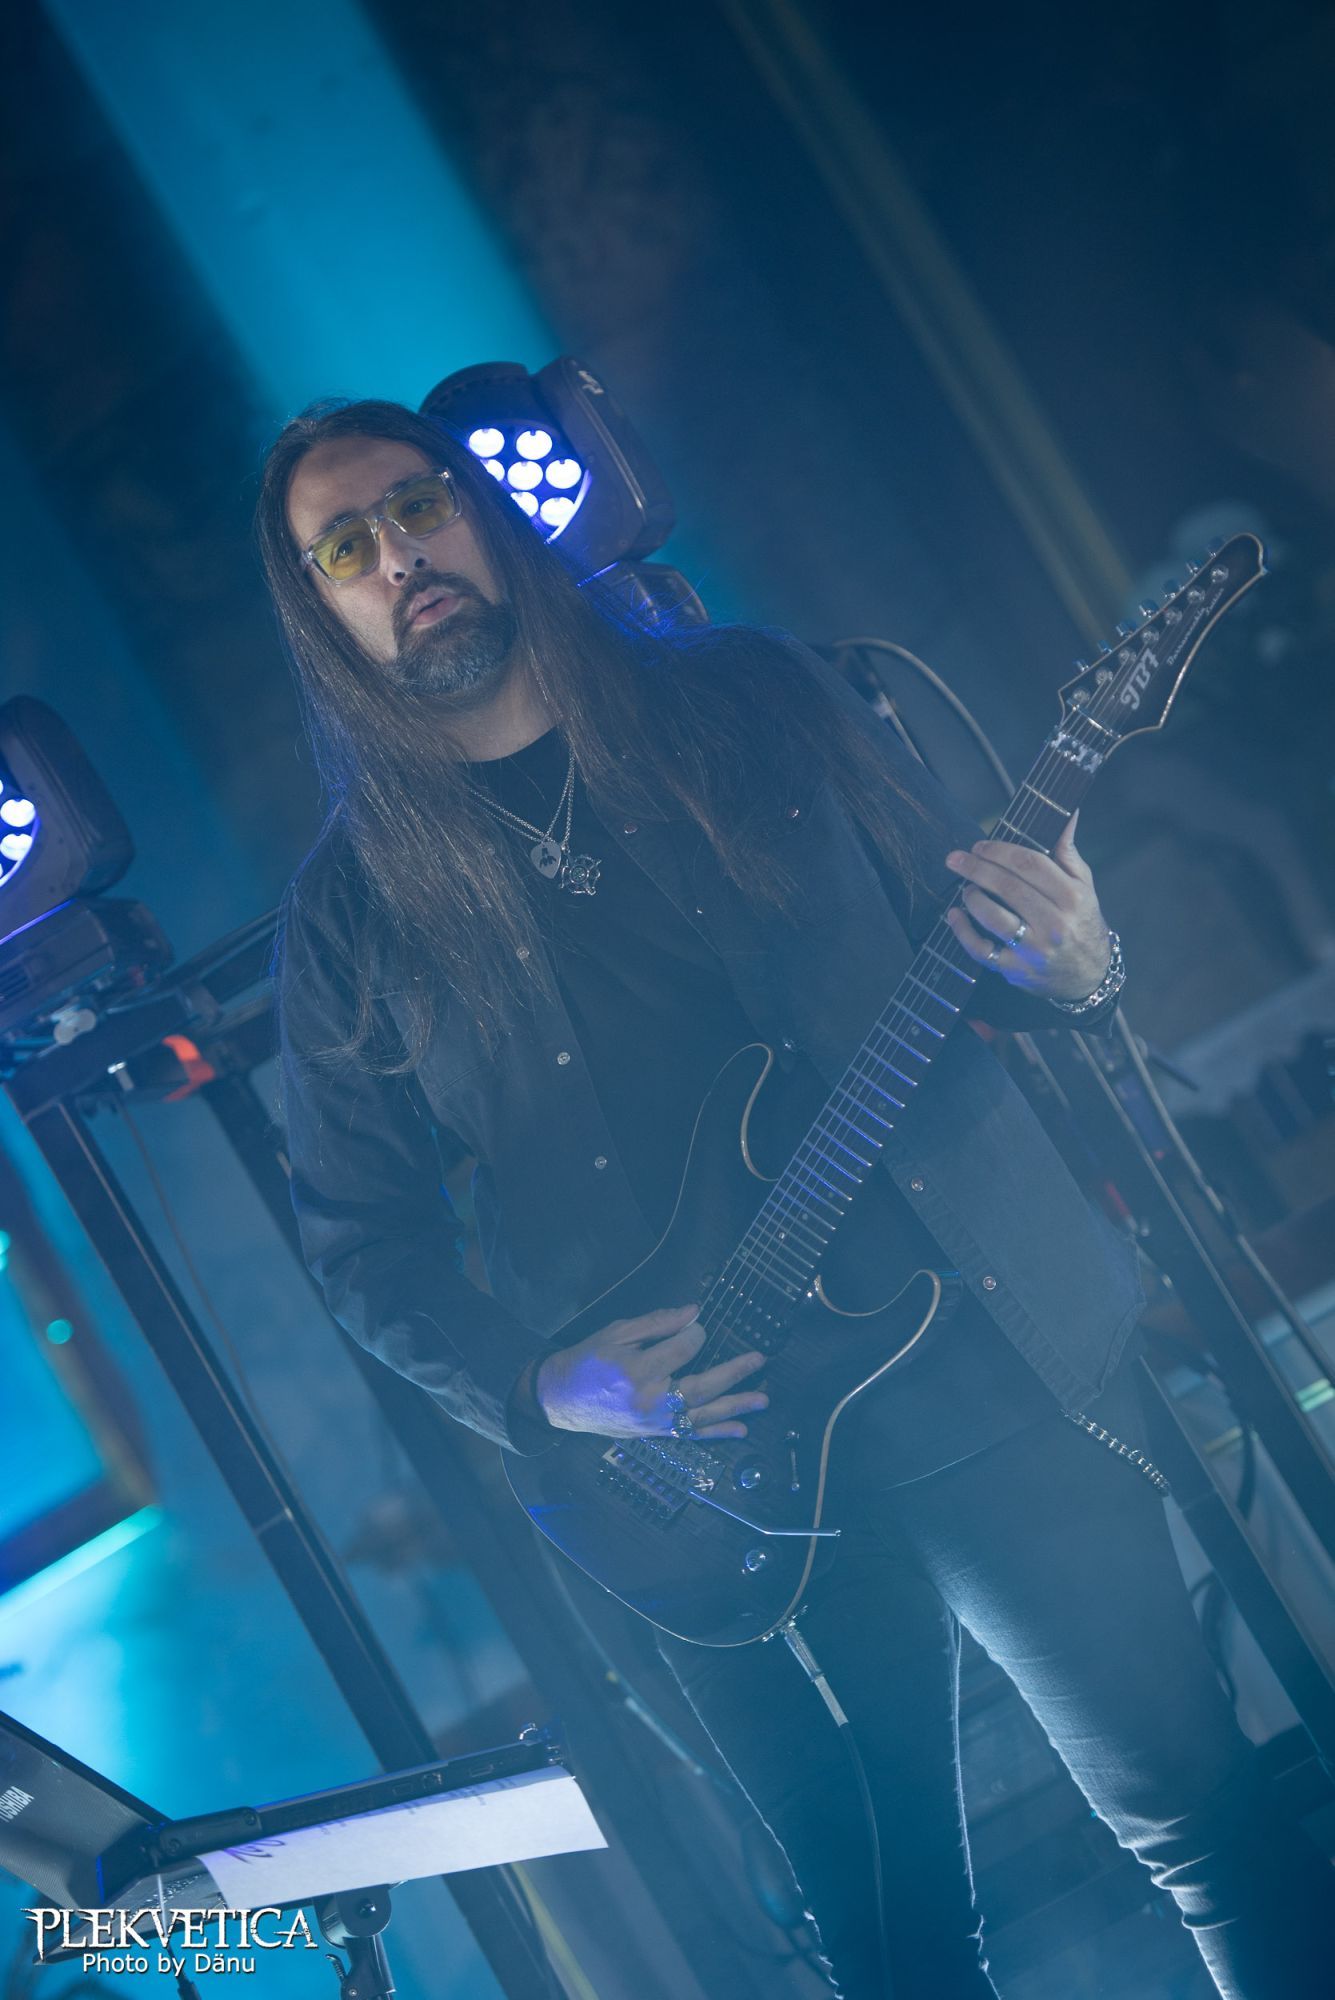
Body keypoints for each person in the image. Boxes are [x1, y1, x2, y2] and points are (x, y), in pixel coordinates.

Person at [260, 399, 1329, 1998]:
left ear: (482, 511)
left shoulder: (746, 698)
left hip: (972, 1354)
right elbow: (361, 1244)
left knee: (1198, 1814)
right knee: (895, 1958)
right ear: (321, 613)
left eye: (418, 509)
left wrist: (1084, 962)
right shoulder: (355, 914)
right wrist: (547, 1386)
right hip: (700, 1471)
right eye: (346, 548)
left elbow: (986, 953)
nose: (399, 560)